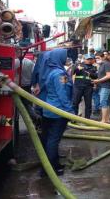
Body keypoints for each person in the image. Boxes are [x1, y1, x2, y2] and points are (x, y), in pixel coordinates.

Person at [34, 48, 73, 176]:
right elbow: (62, 94)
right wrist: (69, 111)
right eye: (65, 56)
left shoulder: (53, 72)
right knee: (53, 140)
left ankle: (52, 164)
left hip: (49, 111)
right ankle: (50, 169)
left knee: (48, 138)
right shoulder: (60, 74)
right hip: (58, 112)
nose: (66, 58)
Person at [72, 54, 98, 118]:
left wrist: (91, 74)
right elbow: (72, 72)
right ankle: (74, 118)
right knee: (75, 103)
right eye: (88, 59)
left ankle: (87, 119)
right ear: (84, 59)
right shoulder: (78, 65)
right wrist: (78, 69)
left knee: (88, 104)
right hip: (78, 86)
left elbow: (96, 76)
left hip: (88, 87)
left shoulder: (94, 67)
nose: (89, 61)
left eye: (90, 59)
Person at [92, 52, 110, 123]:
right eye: (96, 58)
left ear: (103, 57)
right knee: (106, 102)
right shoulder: (101, 65)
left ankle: (103, 120)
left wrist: (98, 81)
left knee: (103, 102)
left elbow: (109, 75)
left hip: (106, 86)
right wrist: (97, 82)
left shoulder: (106, 64)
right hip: (102, 86)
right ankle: (107, 119)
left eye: (98, 58)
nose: (97, 59)